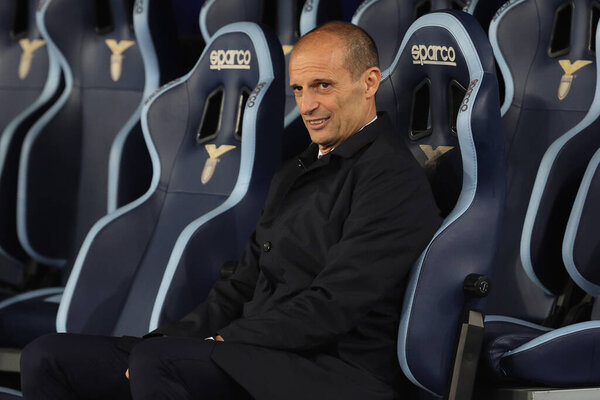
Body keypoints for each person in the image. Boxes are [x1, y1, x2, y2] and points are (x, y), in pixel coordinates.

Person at [20, 21, 441, 400]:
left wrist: (221, 342)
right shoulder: (296, 170)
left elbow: (333, 306)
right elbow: (240, 286)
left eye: (322, 86)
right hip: (255, 354)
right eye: (298, 89)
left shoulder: (393, 180)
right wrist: (166, 338)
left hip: (336, 370)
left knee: (161, 364)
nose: (307, 105)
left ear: (368, 83)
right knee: (47, 355)